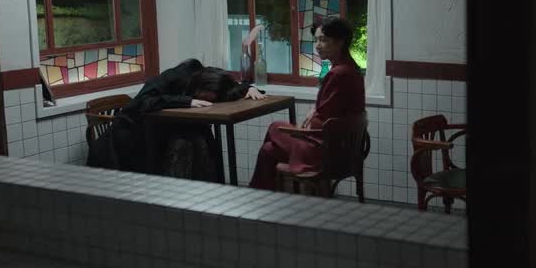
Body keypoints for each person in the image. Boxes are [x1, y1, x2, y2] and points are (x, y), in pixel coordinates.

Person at [87, 58, 265, 180]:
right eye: (207, 96)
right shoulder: (175, 76)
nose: (209, 101)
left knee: (200, 137)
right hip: (129, 138)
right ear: (202, 86)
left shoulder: (208, 76)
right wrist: (186, 101)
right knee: (186, 141)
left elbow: (229, 87)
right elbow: (142, 102)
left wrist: (247, 88)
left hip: (160, 132)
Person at [249, 17, 365, 191]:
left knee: (275, 127)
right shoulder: (351, 68)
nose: (317, 45)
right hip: (343, 148)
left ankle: (257, 193)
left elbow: (321, 121)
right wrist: (315, 111)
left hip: (325, 150)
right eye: (316, 40)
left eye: (323, 40)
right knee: (268, 150)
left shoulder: (338, 73)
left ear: (340, 41)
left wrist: (308, 123)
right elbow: (330, 110)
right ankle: (261, 193)